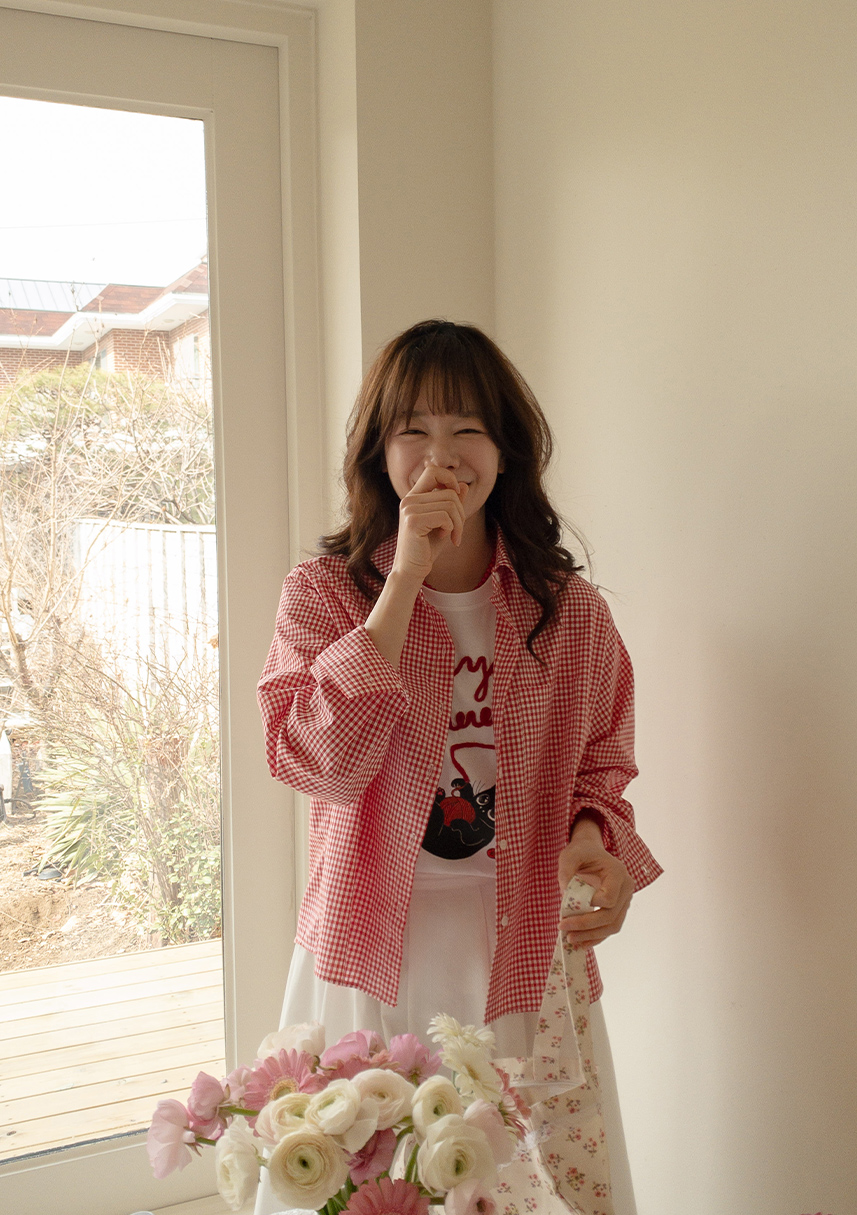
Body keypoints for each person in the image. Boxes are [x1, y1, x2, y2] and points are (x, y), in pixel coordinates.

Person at [255, 320, 662, 1215]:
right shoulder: (323, 594)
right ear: (379, 450)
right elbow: (315, 761)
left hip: (518, 945)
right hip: (369, 943)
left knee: (523, 1183)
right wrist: (403, 581)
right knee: (369, 1178)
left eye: (467, 428)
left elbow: (603, 762)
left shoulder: (569, 610)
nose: (441, 455)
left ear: (506, 450)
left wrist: (595, 842)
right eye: (414, 430)